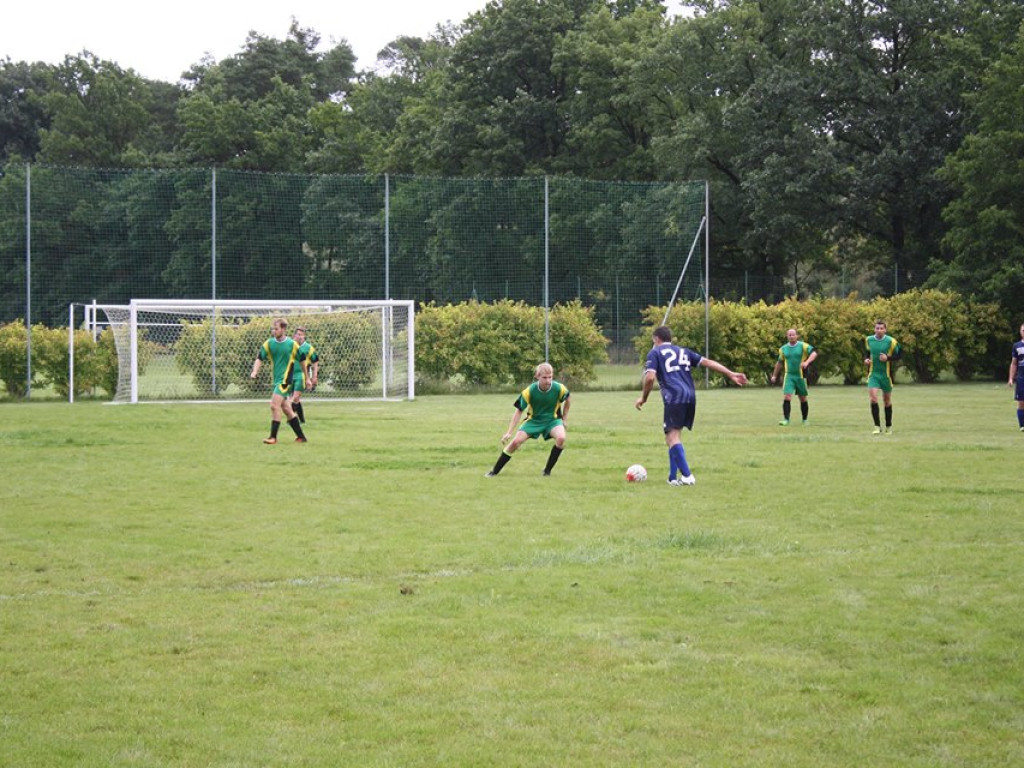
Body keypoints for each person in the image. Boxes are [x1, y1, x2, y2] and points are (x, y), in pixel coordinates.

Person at [635, 326, 748, 486]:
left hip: (674, 396)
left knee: (672, 437)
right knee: (673, 436)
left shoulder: (654, 353)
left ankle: (687, 476)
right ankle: (672, 478)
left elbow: (650, 378)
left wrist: (643, 398)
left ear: (656, 339)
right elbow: (707, 362)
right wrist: (730, 373)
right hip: (690, 395)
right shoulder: (683, 351)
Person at [486, 362, 570, 477]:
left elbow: (568, 398)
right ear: (537, 376)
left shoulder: (559, 388)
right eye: (544, 377)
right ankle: (494, 472)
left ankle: (547, 471)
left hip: (552, 420)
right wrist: (509, 432)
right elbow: (518, 411)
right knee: (515, 442)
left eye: (550, 377)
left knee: (561, 438)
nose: (548, 381)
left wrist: (564, 418)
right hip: (533, 421)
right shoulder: (529, 391)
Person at [249, 318, 308, 444]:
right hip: (277, 380)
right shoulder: (269, 343)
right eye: (273, 329)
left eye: (276, 329)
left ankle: (273, 437)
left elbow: (302, 359)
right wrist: (254, 371)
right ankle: (301, 437)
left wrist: (307, 377)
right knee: (287, 409)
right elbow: (259, 358)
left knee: (274, 405)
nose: (273, 331)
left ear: (283, 329)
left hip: (285, 381)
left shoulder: (292, 344)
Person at [770, 328, 818, 426]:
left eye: (793, 334)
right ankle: (786, 420)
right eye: (789, 335)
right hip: (789, 376)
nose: (791, 336)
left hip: (800, 376)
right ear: (787, 336)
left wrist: (806, 362)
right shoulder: (783, 349)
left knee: (803, 398)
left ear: (797, 336)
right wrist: (774, 375)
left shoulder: (803, 346)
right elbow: (779, 363)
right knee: (787, 396)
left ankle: (805, 419)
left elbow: (814, 353)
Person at [864, 320, 901, 434]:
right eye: (877, 328)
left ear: (885, 330)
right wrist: (866, 359)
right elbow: (867, 352)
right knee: (873, 398)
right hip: (873, 374)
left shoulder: (891, 341)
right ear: (874, 329)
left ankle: (888, 427)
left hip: (886, 375)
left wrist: (887, 358)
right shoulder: (868, 340)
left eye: (881, 328)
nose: (879, 330)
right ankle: (877, 427)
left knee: (887, 401)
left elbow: (899, 355)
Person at [290, 327, 319, 424]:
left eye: (302, 335)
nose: (300, 336)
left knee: (295, 397)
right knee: (296, 399)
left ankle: (291, 419)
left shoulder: (308, 348)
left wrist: (314, 376)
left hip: (302, 375)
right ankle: (302, 420)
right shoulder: (290, 345)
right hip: (289, 375)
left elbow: (315, 361)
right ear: (294, 335)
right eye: (298, 334)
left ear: (304, 336)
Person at [1009, 322, 1024, 431]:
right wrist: (1011, 378)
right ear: (1020, 332)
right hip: (1021, 378)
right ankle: (1022, 425)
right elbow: (1014, 363)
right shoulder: (1017, 346)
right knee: (1021, 402)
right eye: (1023, 330)